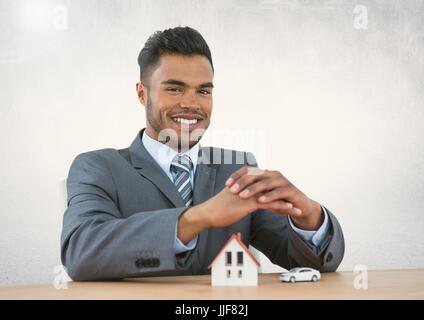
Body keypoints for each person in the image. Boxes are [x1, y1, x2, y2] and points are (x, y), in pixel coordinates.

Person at [61, 26, 344, 281]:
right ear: (142, 94)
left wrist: (308, 215)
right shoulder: (98, 167)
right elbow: (82, 253)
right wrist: (200, 217)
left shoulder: (237, 166)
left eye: (204, 91)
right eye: (174, 88)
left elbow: (303, 261)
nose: (191, 104)